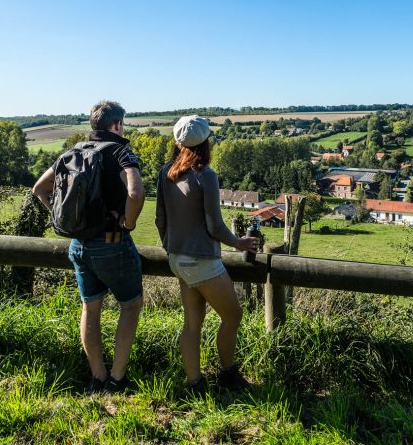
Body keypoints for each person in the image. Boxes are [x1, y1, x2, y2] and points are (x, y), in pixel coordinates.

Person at [33, 100, 146, 395]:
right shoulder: (120, 152)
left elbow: (39, 189)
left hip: (78, 245)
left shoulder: (72, 152)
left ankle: (97, 377)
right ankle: (117, 380)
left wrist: (66, 221)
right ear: (117, 124)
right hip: (112, 243)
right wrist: (128, 223)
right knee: (130, 306)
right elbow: (136, 193)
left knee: (90, 308)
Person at [155, 115, 259, 394]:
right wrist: (239, 243)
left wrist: (171, 248)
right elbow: (215, 226)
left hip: (177, 259)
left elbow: (160, 219)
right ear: (205, 143)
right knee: (233, 316)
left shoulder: (166, 172)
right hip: (202, 260)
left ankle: (195, 384)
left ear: (177, 142)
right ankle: (228, 375)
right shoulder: (206, 175)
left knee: (192, 324)